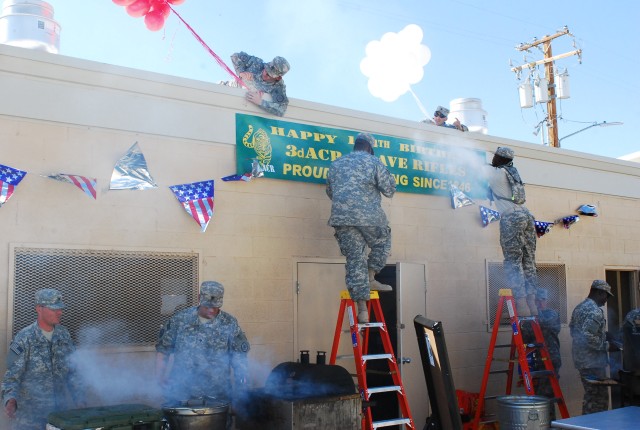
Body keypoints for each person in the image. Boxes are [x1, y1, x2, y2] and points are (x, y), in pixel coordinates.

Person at [326, 132, 396, 323]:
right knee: (383, 241)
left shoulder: (336, 164)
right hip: (369, 217)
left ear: (355, 145)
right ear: (370, 147)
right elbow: (389, 190)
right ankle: (371, 275)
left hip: (342, 218)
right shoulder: (373, 162)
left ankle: (362, 309)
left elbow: (330, 192)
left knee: (355, 258)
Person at [155, 281, 250, 408]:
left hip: (217, 396)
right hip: (182, 394)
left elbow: (240, 361)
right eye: (207, 306)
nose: (211, 310)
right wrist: (159, 377)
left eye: (215, 307)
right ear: (199, 298)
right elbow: (163, 350)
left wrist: (241, 393)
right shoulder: (180, 320)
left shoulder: (229, 323)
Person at [2, 288, 83, 429]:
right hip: (29, 418)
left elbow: (73, 371)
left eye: (60, 309)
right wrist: (10, 400)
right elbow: (11, 377)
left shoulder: (64, 335)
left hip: (58, 417)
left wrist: (80, 399)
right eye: (54, 309)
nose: (60, 312)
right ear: (39, 308)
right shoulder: (22, 338)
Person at [484, 146, 538, 316]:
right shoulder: (513, 173)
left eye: (495, 156)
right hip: (527, 216)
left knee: (513, 261)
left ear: (500, 159)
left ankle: (521, 304)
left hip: (512, 217)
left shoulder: (496, 173)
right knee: (528, 260)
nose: (493, 159)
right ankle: (532, 301)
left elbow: (475, 172)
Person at [569, 279, 613, 414]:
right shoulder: (594, 310)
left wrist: (603, 334)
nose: (606, 300)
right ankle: (592, 426)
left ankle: (587, 425)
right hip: (593, 363)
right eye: (606, 295)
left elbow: (573, 331)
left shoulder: (579, 307)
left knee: (591, 397)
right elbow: (587, 336)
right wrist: (607, 345)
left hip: (583, 361)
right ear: (599, 292)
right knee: (598, 399)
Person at [521, 288, 562, 418]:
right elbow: (525, 335)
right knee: (539, 396)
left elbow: (543, 322)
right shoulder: (531, 318)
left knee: (545, 396)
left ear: (546, 301)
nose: (539, 303)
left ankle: (549, 424)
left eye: (542, 300)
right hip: (535, 363)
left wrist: (532, 308)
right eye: (536, 300)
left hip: (550, 361)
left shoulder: (551, 314)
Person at [225, 51, 290, 117]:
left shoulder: (278, 86)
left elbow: (281, 109)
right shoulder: (256, 63)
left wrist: (260, 102)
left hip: (244, 106)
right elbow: (235, 56)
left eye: (269, 75)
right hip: (230, 88)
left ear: (278, 78)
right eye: (266, 70)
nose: (265, 74)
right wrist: (241, 72)